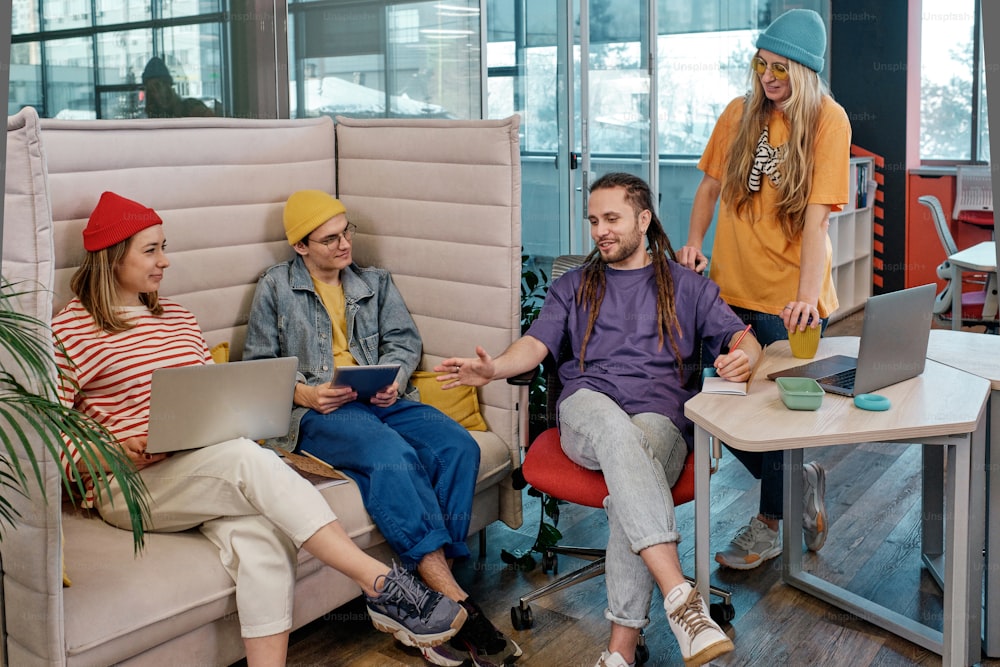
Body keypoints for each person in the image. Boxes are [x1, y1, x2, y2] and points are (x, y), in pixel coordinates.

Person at [52, 191, 467, 667]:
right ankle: (381, 585)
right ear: (110, 258)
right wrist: (119, 451)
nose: (165, 261)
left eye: (164, 246)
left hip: (200, 466)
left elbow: (213, 398)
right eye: (151, 250)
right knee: (248, 459)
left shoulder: (180, 319)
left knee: (265, 543)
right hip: (129, 483)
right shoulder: (71, 331)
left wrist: (236, 420)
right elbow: (49, 436)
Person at [437, 172, 759, 667]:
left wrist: (748, 357)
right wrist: (495, 368)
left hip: (661, 422)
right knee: (612, 428)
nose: (600, 230)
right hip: (586, 410)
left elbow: (742, 340)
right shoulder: (573, 286)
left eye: (612, 219)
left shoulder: (687, 286)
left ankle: (619, 656)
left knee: (631, 468)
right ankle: (680, 596)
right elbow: (537, 343)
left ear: (644, 220)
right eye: (593, 220)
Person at [242, 189, 520, 667]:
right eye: (330, 239)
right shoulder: (275, 287)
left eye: (346, 231)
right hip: (320, 411)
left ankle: (431, 609)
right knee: (393, 455)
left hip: (380, 398)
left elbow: (403, 342)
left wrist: (393, 376)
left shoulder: (375, 282)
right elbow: (259, 365)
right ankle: (460, 608)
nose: (345, 244)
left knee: (456, 446)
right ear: (301, 247)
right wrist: (308, 393)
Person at [676, 8, 851, 571]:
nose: (768, 77)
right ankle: (798, 479)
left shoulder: (828, 120)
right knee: (727, 410)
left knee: (779, 417)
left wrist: (803, 300)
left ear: (804, 72)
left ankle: (771, 523)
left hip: (790, 301)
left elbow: (818, 222)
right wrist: (694, 242)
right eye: (760, 64)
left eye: (780, 68)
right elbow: (708, 187)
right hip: (727, 295)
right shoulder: (738, 114)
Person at [141, 56, 216, 118]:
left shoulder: (192, 108)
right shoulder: (153, 117)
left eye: (157, 86)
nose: (155, 94)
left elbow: (214, 126)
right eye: (150, 90)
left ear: (168, 85)